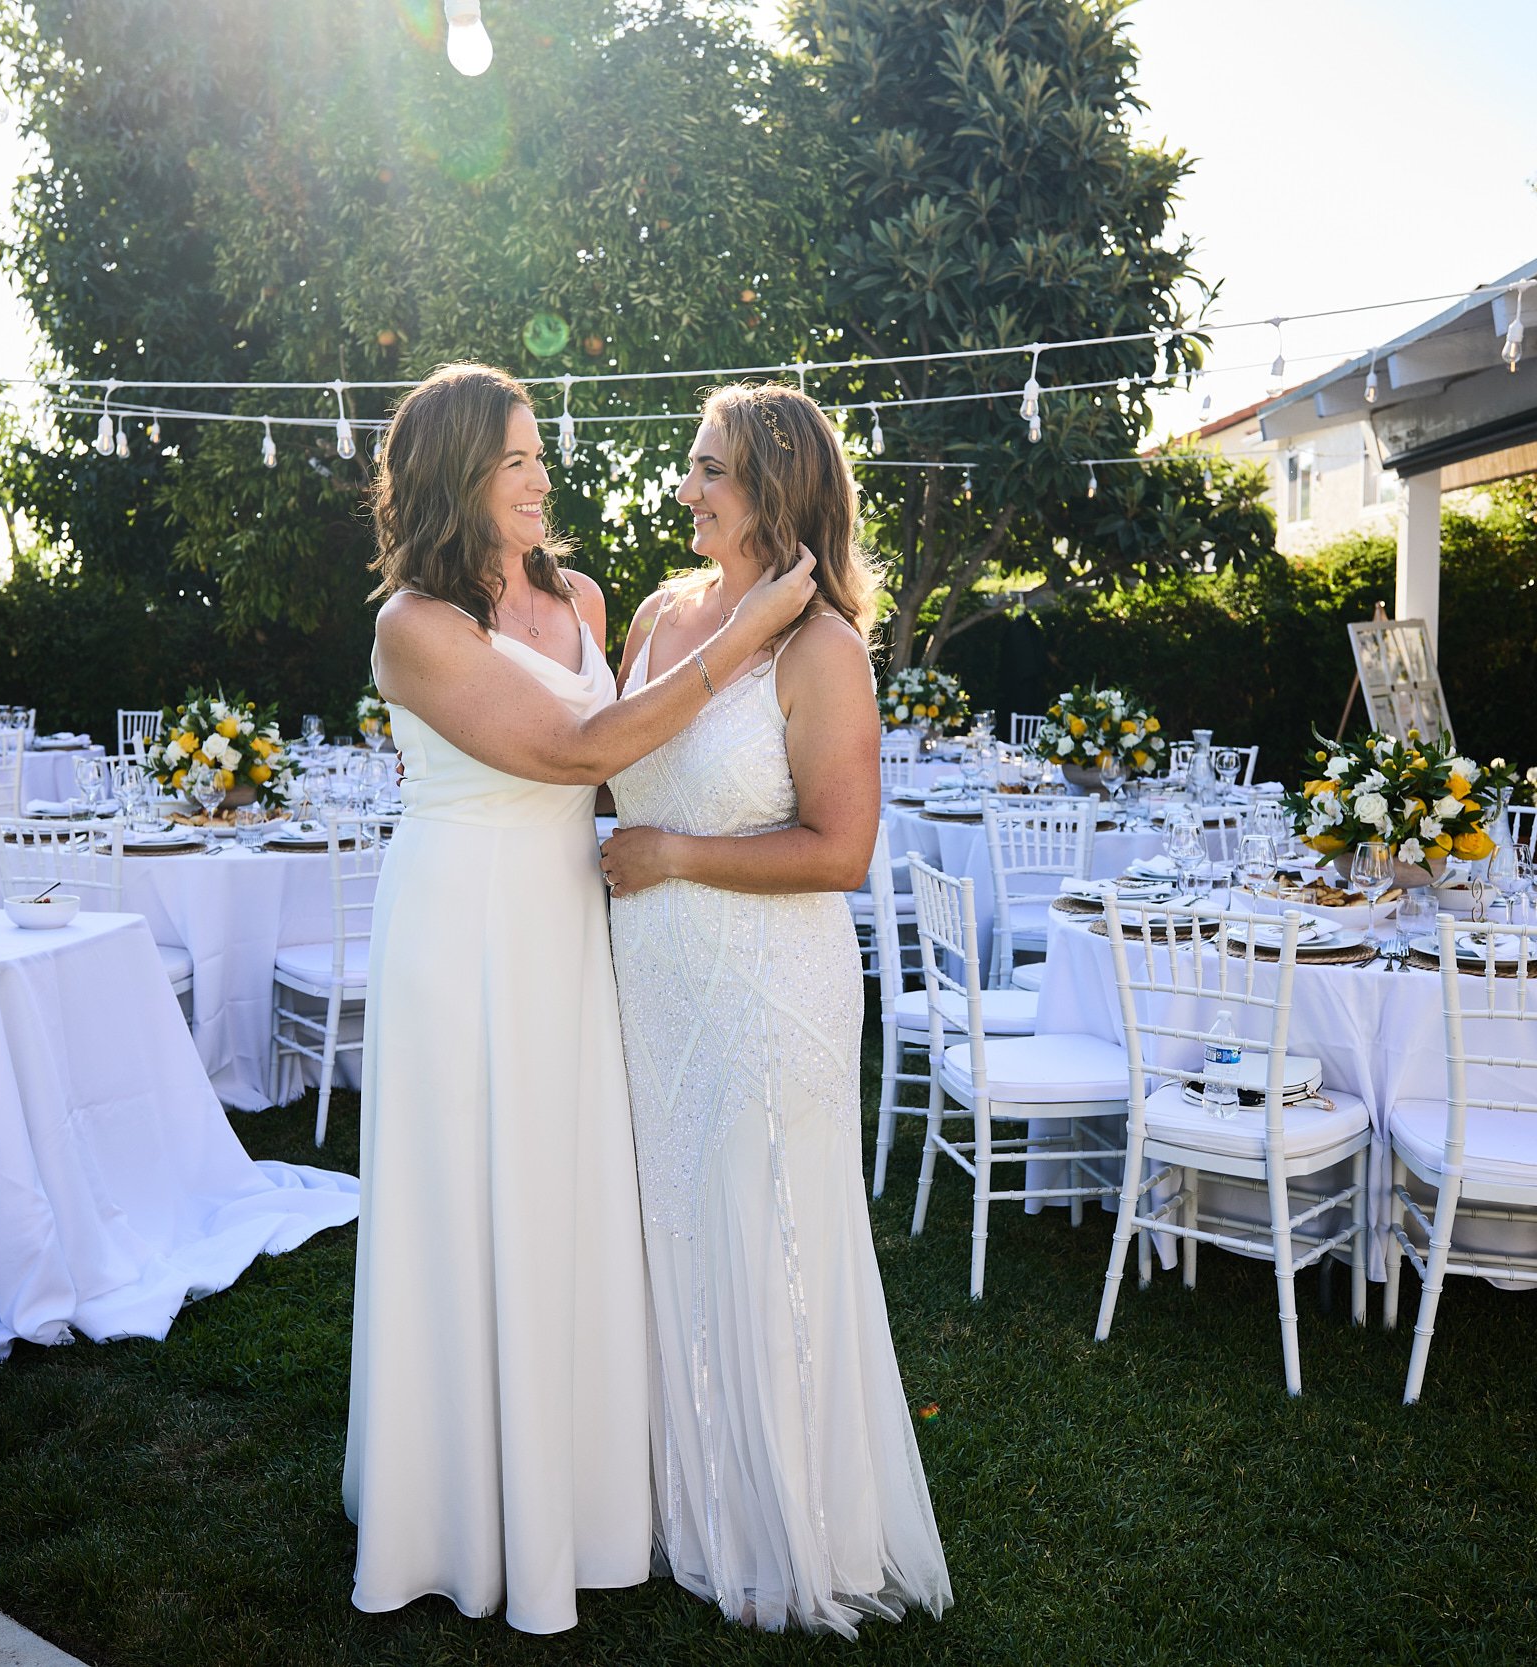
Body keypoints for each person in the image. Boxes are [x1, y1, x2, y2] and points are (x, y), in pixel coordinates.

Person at [348, 363, 817, 1634]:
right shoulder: (414, 625)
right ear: (458, 475)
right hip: (460, 923)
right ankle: (450, 1501)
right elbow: (569, 750)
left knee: (568, 1186)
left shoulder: (581, 595)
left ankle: (585, 1494)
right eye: (516, 460)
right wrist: (744, 637)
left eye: (539, 454)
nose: (542, 478)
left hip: (565, 916)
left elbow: (624, 774)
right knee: (470, 1189)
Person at [599, 384, 952, 1634]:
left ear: (779, 488)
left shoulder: (826, 651)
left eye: (712, 472)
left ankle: (787, 1521)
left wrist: (675, 856)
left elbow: (839, 850)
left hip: (767, 985)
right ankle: (675, 1496)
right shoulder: (655, 611)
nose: (687, 490)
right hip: (651, 977)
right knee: (669, 1226)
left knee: (765, 1232)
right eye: (690, 468)